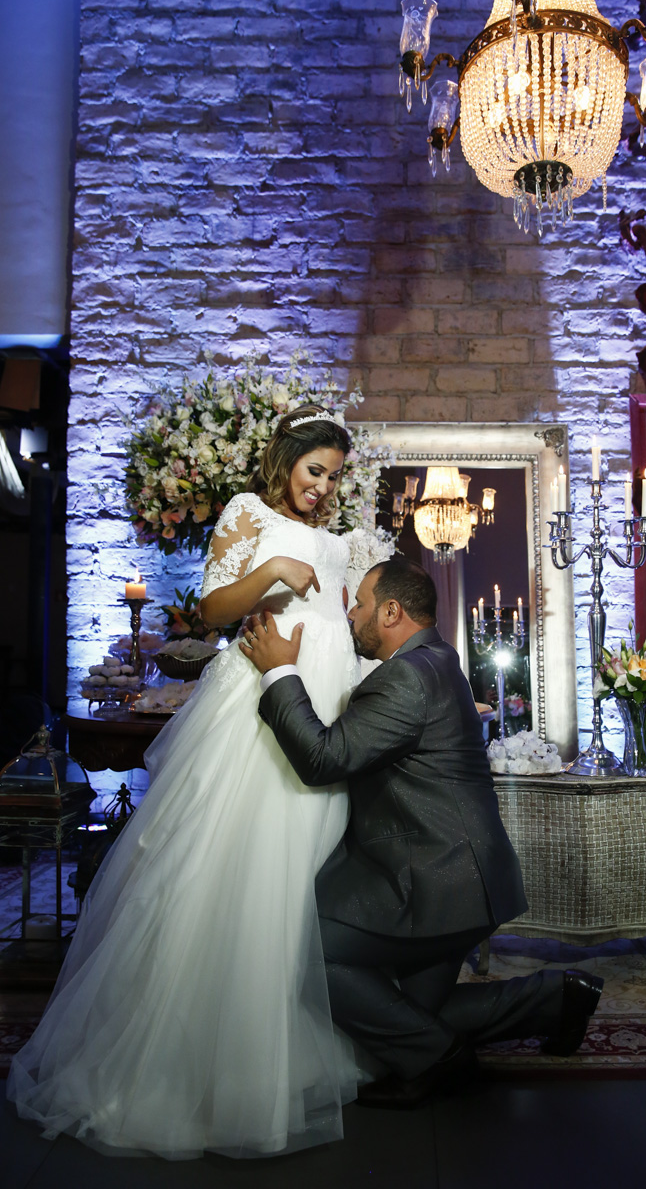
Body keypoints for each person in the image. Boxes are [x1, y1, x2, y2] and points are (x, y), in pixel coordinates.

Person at [7, 406, 371, 1158]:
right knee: (239, 872)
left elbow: (344, 626)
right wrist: (271, 571)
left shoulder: (341, 543)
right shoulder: (246, 513)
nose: (324, 487)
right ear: (285, 461)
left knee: (299, 879)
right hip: (259, 713)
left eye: (335, 476)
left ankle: (270, 1041)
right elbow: (209, 613)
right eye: (314, 471)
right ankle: (201, 1066)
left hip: (321, 712)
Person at [241, 558, 604, 1109]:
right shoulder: (436, 660)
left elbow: (323, 757)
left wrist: (278, 673)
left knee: (307, 956)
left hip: (439, 881)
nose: (352, 613)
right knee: (408, 1012)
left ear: (391, 611)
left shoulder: (406, 677)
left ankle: (438, 1060)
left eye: (360, 603)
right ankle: (555, 999)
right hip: (466, 876)